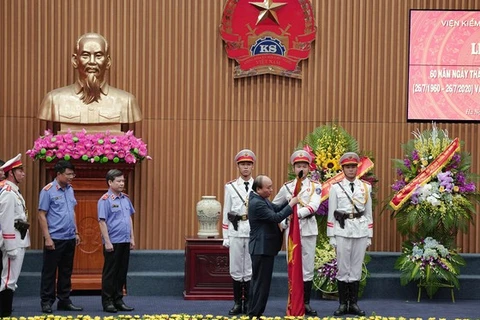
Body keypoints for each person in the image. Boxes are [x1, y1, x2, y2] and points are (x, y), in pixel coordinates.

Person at [38, 32, 142, 133]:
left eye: (98, 56)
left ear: (108, 61)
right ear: (75, 60)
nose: (92, 61)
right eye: (85, 55)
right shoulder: (54, 100)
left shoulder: (126, 102)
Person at [272, 150, 322, 316]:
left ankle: (306, 302)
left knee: (307, 267)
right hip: (291, 233)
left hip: (307, 230)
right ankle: (293, 300)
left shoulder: (316, 186)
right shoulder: (287, 187)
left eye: (304, 166)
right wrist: (282, 219)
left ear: (309, 168)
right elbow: (274, 206)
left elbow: (313, 206)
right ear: (293, 168)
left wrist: (295, 215)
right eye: (298, 165)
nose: (301, 168)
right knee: (292, 265)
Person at [327, 152, 373, 316]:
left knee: (356, 268)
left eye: (353, 166)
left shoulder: (366, 187)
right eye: (348, 167)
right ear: (343, 169)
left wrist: (369, 234)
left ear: (357, 168)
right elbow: (332, 212)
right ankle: (342, 304)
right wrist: (331, 235)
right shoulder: (336, 187)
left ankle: (353, 304)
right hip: (342, 230)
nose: (351, 170)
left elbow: (368, 212)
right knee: (343, 268)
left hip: (360, 230)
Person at [247, 175, 299, 318]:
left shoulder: (261, 199)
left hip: (264, 248)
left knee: (259, 283)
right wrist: (292, 204)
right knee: (261, 285)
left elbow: (275, 208)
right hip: (261, 248)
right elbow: (276, 217)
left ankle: (254, 312)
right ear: (258, 189)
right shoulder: (257, 203)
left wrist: (288, 201)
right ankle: (255, 314)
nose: (271, 189)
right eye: (268, 187)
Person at [38, 160, 82, 313]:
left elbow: (73, 212)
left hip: (69, 237)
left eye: (72, 174)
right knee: (50, 271)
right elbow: (41, 214)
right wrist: (47, 238)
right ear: (59, 174)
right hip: (55, 237)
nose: (71, 177)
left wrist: (76, 232)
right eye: (68, 174)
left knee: (66, 271)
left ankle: (64, 300)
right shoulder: (48, 190)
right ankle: (46, 301)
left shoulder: (70, 189)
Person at [222, 149, 255, 315]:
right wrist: (225, 235)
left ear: (252, 166)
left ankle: (247, 303)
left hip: (251, 231)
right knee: (236, 267)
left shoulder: (258, 186)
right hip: (235, 230)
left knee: (248, 268)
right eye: (243, 164)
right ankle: (237, 303)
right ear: (238, 166)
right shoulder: (230, 187)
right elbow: (226, 210)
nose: (246, 167)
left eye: (248, 164)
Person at [98, 169, 135, 313]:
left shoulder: (125, 199)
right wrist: (107, 241)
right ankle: (107, 301)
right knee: (110, 273)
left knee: (121, 272)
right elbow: (102, 222)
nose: (122, 183)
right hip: (113, 242)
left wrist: (132, 237)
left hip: (125, 240)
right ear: (110, 182)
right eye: (119, 181)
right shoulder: (105, 200)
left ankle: (119, 299)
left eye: (123, 181)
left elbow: (129, 218)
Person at [0, 154, 30, 317]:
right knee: (8, 280)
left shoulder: (14, 192)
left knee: (11, 279)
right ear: (11, 173)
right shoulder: (8, 192)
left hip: (20, 238)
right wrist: (10, 247)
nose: (23, 173)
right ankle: (4, 313)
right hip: (13, 241)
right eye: (20, 170)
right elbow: (5, 221)